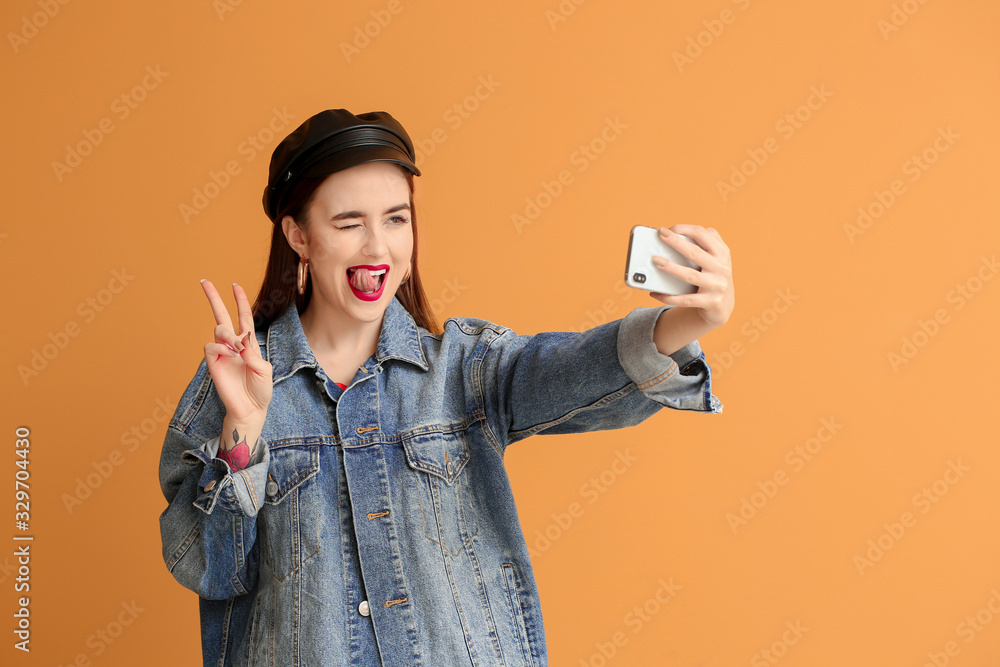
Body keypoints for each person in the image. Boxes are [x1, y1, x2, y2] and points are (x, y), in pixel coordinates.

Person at [158, 108, 733, 666]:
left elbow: (578, 369)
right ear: (298, 236)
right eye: (348, 223)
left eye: (395, 218)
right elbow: (209, 569)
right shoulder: (233, 382)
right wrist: (243, 436)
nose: (378, 248)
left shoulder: (466, 369)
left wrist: (688, 321)